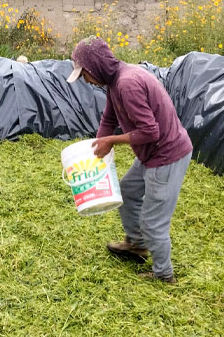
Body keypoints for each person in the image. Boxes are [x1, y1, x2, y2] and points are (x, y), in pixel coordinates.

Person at [67, 36, 193, 284]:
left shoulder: (128, 84)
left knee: (153, 222)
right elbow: (109, 119)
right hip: (151, 152)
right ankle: (136, 245)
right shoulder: (115, 82)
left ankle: (164, 274)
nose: (86, 80)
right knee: (128, 191)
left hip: (166, 154)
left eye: (85, 75)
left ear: (95, 68)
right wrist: (97, 148)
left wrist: (111, 142)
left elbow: (150, 132)